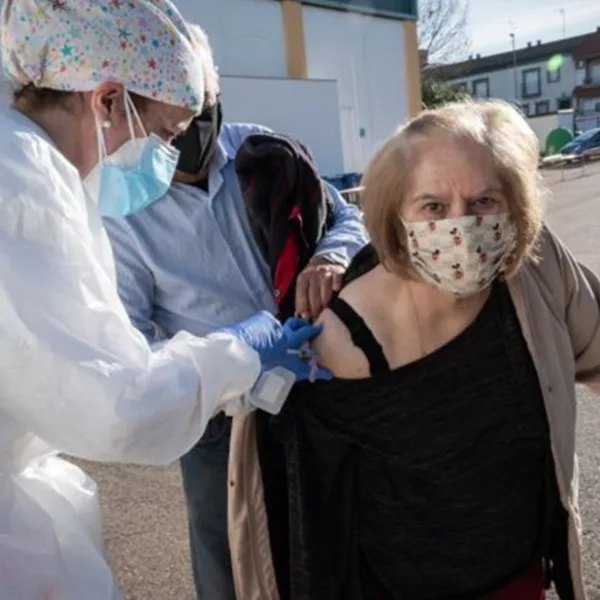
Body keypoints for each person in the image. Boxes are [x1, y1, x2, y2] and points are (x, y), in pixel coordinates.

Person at [0, 2, 330, 599]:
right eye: (166, 136)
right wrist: (241, 351)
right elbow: (115, 403)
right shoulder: (21, 184)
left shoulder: (29, 168)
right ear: (106, 101)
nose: (170, 158)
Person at [225, 99, 600, 600]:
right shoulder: (338, 339)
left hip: (520, 578)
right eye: (433, 208)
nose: (462, 227)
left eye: (485, 201)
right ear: (396, 217)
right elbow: (309, 523)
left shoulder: (534, 272)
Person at [104, 22, 367, 600]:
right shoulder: (123, 209)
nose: (189, 133)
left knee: (334, 535)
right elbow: (133, 351)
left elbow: (348, 217)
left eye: (201, 112)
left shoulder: (265, 154)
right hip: (221, 418)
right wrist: (234, 361)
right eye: (172, 125)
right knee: (227, 556)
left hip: (317, 383)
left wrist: (329, 256)